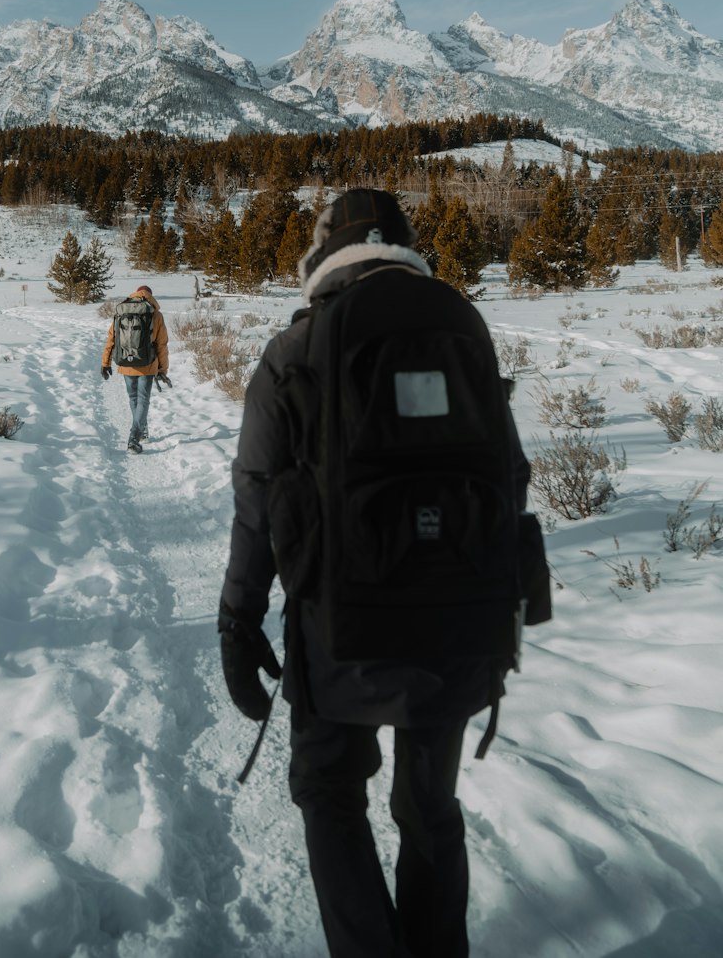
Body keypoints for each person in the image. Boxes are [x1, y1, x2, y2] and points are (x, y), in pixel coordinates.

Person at [219, 189, 533, 958]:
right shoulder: (460, 327)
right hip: (460, 620)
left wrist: (238, 618)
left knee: (330, 793)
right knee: (431, 808)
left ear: (323, 255)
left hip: (340, 626)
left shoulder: (296, 347)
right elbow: (511, 476)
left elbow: (258, 499)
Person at [101, 283, 170, 454]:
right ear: (150, 295)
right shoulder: (156, 314)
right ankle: (134, 437)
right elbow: (162, 344)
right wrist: (163, 369)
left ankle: (142, 429)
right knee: (143, 399)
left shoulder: (122, 310)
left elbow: (112, 339)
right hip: (147, 363)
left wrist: (105, 363)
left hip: (126, 363)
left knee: (133, 398)